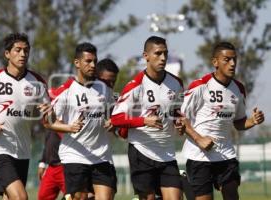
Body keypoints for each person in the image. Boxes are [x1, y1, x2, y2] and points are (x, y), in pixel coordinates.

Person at [180, 41, 265, 200]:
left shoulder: (238, 89)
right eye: (227, 59)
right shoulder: (200, 86)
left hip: (226, 155)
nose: (232, 64)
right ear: (215, 62)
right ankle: (184, 182)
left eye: (234, 59)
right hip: (200, 156)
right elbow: (179, 116)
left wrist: (252, 121)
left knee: (232, 195)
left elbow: (239, 122)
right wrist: (200, 139)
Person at [0, 33, 49, 200]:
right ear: (7, 54)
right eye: (18, 50)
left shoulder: (37, 82)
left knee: (9, 197)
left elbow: (49, 118)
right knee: (21, 197)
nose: (23, 54)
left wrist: (50, 112)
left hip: (23, 150)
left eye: (26, 50)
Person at [39, 43, 117, 200]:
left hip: (101, 155)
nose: (93, 65)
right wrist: (69, 127)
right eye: (88, 61)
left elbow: (113, 113)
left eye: (95, 61)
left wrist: (113, 122)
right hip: (75, 155)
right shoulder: (65, 91)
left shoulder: (105, 88)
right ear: (77, 63)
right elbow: (48, 123)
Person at [111, 36, 183, 200]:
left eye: (165, 53)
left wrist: (179, 121)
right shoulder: (136, 85)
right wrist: (144, 121)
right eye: (158, 53)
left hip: (166, 153)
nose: (163, 58)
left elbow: (177, 111)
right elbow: (116, 118)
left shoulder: (176, 83)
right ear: (146, 56)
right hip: (141, 152)